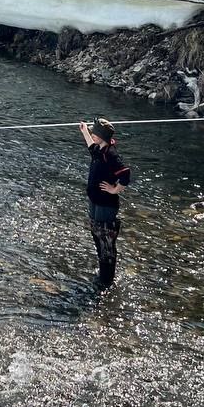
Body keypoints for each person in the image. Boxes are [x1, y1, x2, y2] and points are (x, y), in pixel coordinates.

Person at [79, 117, 131, 288]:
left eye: (95, 133)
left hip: (106, 205)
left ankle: (107, 280)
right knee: (96, 234)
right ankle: (103, 273)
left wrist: (114, 189)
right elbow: (91, 147)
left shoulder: (111, 154)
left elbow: (125, 175)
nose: (93, 135)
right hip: (95, 201)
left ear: (102, 136)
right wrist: (85, 131)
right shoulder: (100, 150)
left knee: (106, 241)